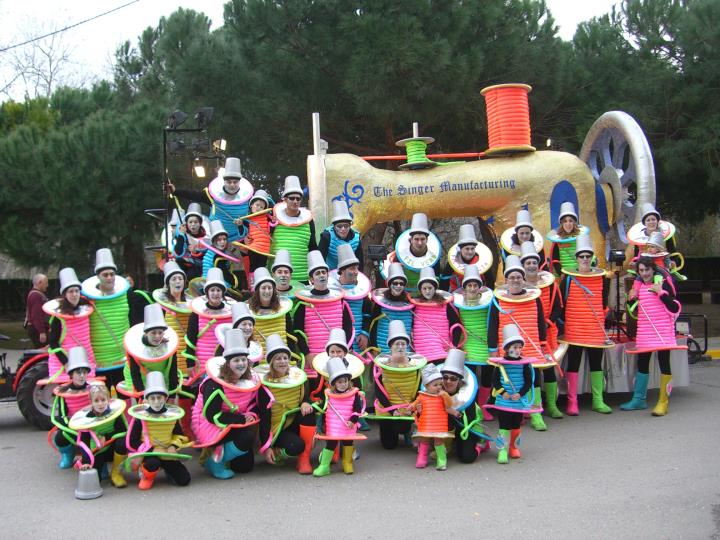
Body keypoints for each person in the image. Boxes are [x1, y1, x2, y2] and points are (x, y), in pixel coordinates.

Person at [487, 255, 548, 429]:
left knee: (533, 379)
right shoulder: (497, 299)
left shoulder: (534, 298)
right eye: (511, 277)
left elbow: (540, 322)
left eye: (518, 277)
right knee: (509, 380)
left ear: (523, 279)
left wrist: (543, 344)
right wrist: (493, 349)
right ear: (506, 280)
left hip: (531, 345)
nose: (515, 280)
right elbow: (492, 325)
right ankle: (514, 412)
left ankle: (535, 415)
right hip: (507, 349)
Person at [555, 234, 612, 416]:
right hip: (575, 327)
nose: (585, 259)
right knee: (574, 364)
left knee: (596, 363)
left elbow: (603, 302)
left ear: (592, 257)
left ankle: (598, 400)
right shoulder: (568, 278)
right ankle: (572, 402)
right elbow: (562, 302)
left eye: (588, 256)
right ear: (577, 258)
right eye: (582, 256)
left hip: (595, 327)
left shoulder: (602, 277)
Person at [192, 329, 260, 479]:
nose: (241, 364)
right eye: (236, 361)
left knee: (244, 467)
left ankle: (224, 453)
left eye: (243, 360)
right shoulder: (214, 384)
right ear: (227, 363)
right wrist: (242, 420)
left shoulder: (249, 380)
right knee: (247, 437)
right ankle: (215, 460)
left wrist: (250, 415)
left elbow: (253, 403)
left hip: (234, 423)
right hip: (212, 425)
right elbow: (211, 415)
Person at [622, 257, 682, 416]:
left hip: (662, 334)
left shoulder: (663, 283)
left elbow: (675, 307)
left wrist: (661, 292)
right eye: (641, 271)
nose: (644, 274)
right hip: (645, 333)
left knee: (664, 364)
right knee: (642, 364)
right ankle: (639, 399)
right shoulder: (639, 287)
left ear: (653, 269)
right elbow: (634, 312)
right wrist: (630, 300)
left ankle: (663, 402)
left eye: (646, 270)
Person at [292, 251, 354, 400]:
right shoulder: (303, 303)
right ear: (311, 279)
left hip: (337, 357)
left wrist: (345, 351)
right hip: (313, 358)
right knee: (317, 398)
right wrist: (306, 353)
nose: (321, 275)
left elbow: (348, 328)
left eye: (324, 272)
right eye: (317, 273)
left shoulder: (340, 300)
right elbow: (298, 331)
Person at [257, 334, 316, 474]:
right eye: (278, 358)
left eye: (285, 358)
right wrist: (267, 446)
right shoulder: (265, 386)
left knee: (309, 412)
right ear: (271, 362)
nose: (282, 361)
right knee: (297, 446)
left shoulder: (297, 378)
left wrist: (305, 403)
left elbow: (304, 397)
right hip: (276, 429)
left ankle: (304, 459)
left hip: (293, 420)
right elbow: (264, 418)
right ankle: (278, 452)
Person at [520, 241, 563, 421]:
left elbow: (558, 307)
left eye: (534, 262)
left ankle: (552, 405)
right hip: (528, 333)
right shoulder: (517, 286)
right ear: (523, 266)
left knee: (549, 368)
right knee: (532, 371)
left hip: (547, 332)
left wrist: (548, 321)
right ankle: (534, 407)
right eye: (528, 263)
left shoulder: (550, 284)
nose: (531, 266)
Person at [126, 372, 191, 489]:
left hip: (167, 452)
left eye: (159, 397)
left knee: (184, 480)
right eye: (152, 398)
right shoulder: (140, 417)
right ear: (147, 399)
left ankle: (169, 471)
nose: (156, 401)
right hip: (149, 454)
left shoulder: (172, 415)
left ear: (165, 398)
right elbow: (132, 441)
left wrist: (173, 446)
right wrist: (151, 449)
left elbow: (179, 435)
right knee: (152, 464)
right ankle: (147, 475)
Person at [81, 249, 135, 389]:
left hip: (122, 357)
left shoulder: (125, 294)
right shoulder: (88, 298)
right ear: (98, 276)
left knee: (124, 394)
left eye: (112, 274)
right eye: (105, 274)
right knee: (101, 396)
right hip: (100, 359)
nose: (109, 277)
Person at [167, 157, 253, 243]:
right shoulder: (212, 195)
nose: (232, 185)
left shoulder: (248, 198)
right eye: (229, 182)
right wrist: (176, 191)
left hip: (241, 239)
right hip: (217, 240)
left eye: (235, 182)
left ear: (239, 182)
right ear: (224, 182)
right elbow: (195, 195)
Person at [486, 324, 537, 465]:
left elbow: (528, 382)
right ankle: (502, 450)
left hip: (518, 401)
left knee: (516, 425)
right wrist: (503, 392)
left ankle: (513, 447)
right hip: (504, 401)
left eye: (520, 347)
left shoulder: (525, 364)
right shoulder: (501, 364)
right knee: (504, 425)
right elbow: (495, 381)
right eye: (514, 347)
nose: (517, 350)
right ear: (507, 348)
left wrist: (520, 394)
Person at [450, 264, 493, 426]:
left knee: (487, 379)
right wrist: (457, 344)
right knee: (469, 378)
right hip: (468, 345)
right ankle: (471, 406)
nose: (473, 288)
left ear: (480, 287)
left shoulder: (489, 301)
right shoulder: (457, 302)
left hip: (486, 345)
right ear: (464, 288)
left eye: (476, 285)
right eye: (470, 285)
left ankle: (483, 406)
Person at [372, 320, 425, 450]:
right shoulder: (381, 366)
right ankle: (388, 431)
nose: (400, 347)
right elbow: (379, 391)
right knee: (389, 445)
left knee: (402, 427)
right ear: (390, 346)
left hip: (407, 407)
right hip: (388, 408)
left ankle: (408, 430)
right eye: (397, 343)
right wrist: (391, 410)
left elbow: (419, 388)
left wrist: (412, 407)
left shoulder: (416, 365)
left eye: (403, 343)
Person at [313, 356, 366, 477]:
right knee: (331, 444)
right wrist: (313, 408)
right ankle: (324, 466)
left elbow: (357, 409)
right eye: (340, 382)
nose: (343, 384)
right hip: (333, 425)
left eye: (345, 381)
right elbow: (322, 406)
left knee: (348, 443)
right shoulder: (329, 395)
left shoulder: (353, 394)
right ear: (334, 383)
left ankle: (347, 463)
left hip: (349, 425)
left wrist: (353, 420)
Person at [185, 268, 235, 383]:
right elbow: (190, 338)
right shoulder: (197, 313)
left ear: (223, 293)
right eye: (212, 290)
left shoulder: (231, 312)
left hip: (224, 361)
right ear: (207, 293)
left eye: (218, 290)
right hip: (201, 361)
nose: (215, 293)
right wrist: (190, 363)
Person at [45, 268, 96, 382]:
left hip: (85, 363)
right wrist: (66, 363)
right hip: (64, 366)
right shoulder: (58, 317)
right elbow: (53, 343)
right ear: (65, 294)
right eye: (70, 291)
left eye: (77, 291)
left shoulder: (86, 310)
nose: (74, 294)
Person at [73, 383, 128, 487]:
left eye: (103, 400)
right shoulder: (87, 419)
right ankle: (101, 468)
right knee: (95, 480)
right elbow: (84, 441)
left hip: (112, 447)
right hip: (97, 451)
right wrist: (85, 461)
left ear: (108, 400)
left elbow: (123, 431)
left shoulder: (114, 413)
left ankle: (116, 473)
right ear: (91, 402)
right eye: (96, 401)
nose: (100, 404)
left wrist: (106, 438)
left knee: (122, 442)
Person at [120, 304, 180, 398]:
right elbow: (135, 374)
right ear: (146, 333)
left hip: (161, 378)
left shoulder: (170, 347)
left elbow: (173, 371)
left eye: (160, 333)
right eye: (153, 333)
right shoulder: (134, 348)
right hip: (139, 381)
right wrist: (141, 395)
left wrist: (172, 395)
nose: (157, 336)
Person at [269, 175, 318, 282]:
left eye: (298, 198)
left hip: (302, 276)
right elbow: (264, 240)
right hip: (278, 276)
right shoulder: (273, 218)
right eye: (292, 198)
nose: (295, 201)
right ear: (285, 199)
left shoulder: (308, 220)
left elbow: (312, 246)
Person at [51, 346, 93, 469]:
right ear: (71, 374)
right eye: (78, 372)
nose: (81, 376)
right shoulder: (63, 392)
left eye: (84, 372)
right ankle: (68, 455)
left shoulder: (93, 389)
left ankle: (94, 459)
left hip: (91, 424)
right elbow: (62, 415)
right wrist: (73, 427)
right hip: (72, 426)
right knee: (60, 437)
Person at [440, 349, 484, 463]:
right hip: (444, 428)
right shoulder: (437, 391)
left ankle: (480, 444)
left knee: (467, 457)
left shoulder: (467, 394)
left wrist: (455, 413)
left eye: (453, 378)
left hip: (464, 428)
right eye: (445, 377)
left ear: (459, 380)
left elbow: (471, 418)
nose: (448, 381)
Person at [410, 364, 457, 471]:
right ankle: (422, 458)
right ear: (426, 386)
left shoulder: (443, 396)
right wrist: (411, 407)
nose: (439, 387)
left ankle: (441, 459)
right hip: (426, 423)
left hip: (440, 425)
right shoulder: (422, 396)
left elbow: (449, 405)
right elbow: (414, 405)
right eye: (435, 385)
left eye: (440, 384)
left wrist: (445, 396)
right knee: (424, 440)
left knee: (439, 441)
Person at [409, 267, 460, 363]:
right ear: (420, 290)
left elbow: (457, 325)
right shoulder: (414, 306)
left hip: (442, 352)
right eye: (424, 288)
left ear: (435, 288)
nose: (427, 291)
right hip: (421, 353)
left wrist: (453, 345)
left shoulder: (446, 305)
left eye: (430, 288)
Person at [329, 243, 372, 354]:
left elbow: (367, 314)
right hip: (337, 338)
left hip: (358, 339)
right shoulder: (332, 291)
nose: (356, 272)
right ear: (342, 271)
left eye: (357, 268)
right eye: (352, 268)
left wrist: (364, 333)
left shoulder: (363, 290)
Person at [364, 262, 414, 355]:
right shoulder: (380, 303)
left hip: (404, 349)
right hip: (382, 346)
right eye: (395, 283)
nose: (398, 286)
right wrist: (374, 346)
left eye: (401, 283)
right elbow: (373, 325)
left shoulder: (410, 303)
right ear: (390, 284)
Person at [385, 213, 443, 291]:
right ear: (411, 240)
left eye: (422, 239)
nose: (419, 243)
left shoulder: (434, 257)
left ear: (427, 240)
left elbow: (436, 280)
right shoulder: (400, 255)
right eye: (416, 239)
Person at [246, 267, 294, 351]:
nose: (267, 291)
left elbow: (290, 335)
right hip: (259, 360)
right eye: (263, 288)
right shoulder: (248, 311)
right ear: (257, 291)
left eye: (270, 288)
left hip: (281, 358)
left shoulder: (283, 309)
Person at [442, 223, 495, 292]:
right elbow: (444, 282)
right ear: (461, 249)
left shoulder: (483, 261)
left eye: (472, 249)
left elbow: (490, 282)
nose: (470, 252)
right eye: (467, 249)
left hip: (479, 294)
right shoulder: (452, 262)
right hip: (458, 295)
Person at [239, 189, 274, 282]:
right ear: (251, 205)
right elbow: (242, 233)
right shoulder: (247, 219)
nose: (258, 208)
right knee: (252, 266)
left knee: (262, 266)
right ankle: (252, 284)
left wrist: (273, 223)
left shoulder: (267, 218)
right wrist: (239, 225)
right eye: (257, 205)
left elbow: (272, 230)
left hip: (264, 248)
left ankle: (261, 283)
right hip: (253, 247)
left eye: (261, 207)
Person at [318, 199, 364, 271]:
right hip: (330, 273)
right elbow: (320, 259)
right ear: (334, 226)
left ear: (350, 226)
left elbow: (360, 261)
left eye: (346, 226)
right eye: (339, 226)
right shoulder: (326, 236)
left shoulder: (356, 238)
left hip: (349, 274)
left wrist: (360, 276)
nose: (343, 229)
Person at [201, 220, 246, 293]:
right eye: (219, 240)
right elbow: (226, 275)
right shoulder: (217, 256)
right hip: (214, 286)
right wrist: (239, 287)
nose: (222, 242)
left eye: (224, 239)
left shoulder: (211, 252)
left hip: (207, 283)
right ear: (214, 241)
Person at [547, 202, 589, 275]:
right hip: (565, 274)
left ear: (574, 222)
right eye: (565, 221)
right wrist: (561, 273)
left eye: (570, 221)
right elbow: (555, 259)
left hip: (581, 273)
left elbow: (589, 255)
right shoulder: (557, 241)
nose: (568, 224)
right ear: (561, 223)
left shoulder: (582, 237)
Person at [173, 202, 208, 280]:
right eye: (190, 222)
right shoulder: (182, 235)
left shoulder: (206, 236)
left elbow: (208, 254)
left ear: (200, 223)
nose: (193, 225)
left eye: (195, 222)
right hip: (185, 264)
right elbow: (178, 252)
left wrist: (197, 252)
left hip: (202, 266)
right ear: (186, 223)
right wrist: (181, 235)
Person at [25, 273, 49, 347]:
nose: (47, 285)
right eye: (46, 283)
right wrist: (42, 332)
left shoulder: (35, 294)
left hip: (36, 328)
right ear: (40, 282)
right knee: (43, 351)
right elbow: (36, 315)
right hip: (37, 329)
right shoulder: (36, 295)